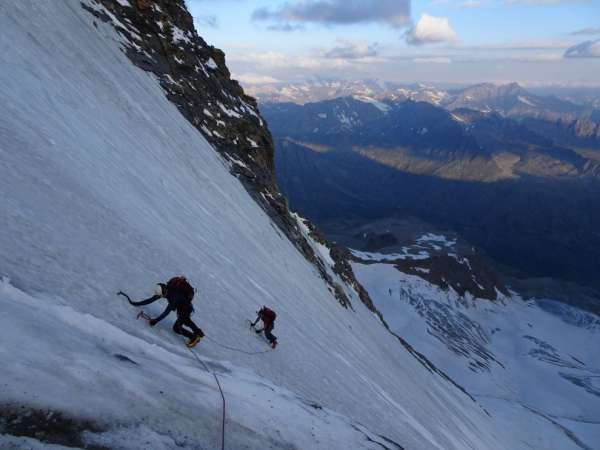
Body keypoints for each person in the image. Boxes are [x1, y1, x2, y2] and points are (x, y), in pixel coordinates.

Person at [125, 276, 204, 348]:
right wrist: (134, 303)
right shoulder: (166, 288)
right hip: (182, 305)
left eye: (161, 295)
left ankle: (194, 337)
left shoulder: (174, 297)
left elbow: (167, 312)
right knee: (186, 320)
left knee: (177, 328)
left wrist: (156, 321)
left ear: (163, 291)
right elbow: (151, 299)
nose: (161, 297)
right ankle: (198, 333)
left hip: (185, 308)